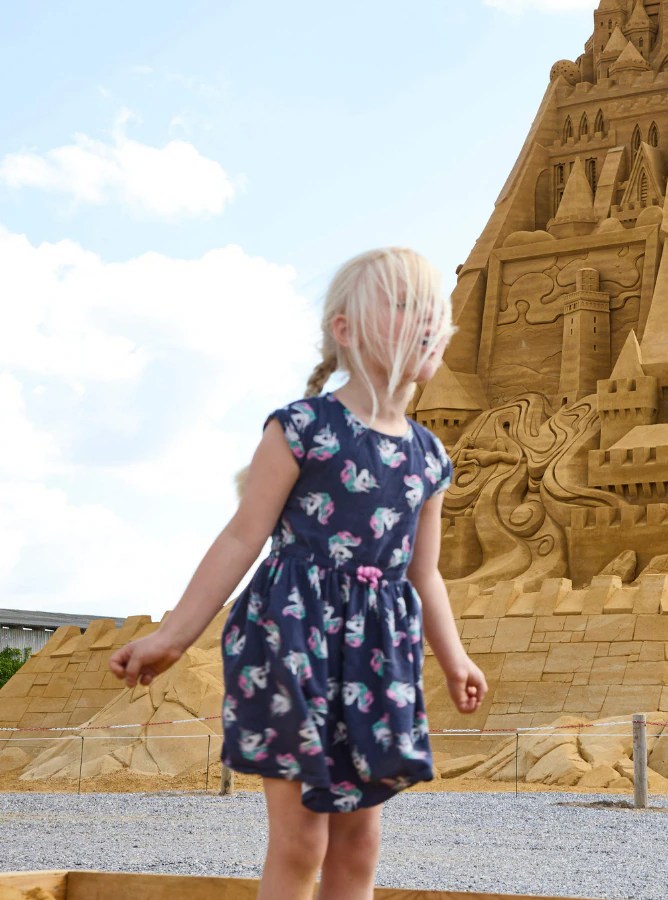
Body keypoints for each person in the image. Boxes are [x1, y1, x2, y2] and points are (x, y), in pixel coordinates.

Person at [109, 248, 488, 900]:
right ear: (343, 330)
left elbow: (425, 576)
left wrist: (454, 659)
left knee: (360, 846)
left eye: (433, 309)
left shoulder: (430, 459)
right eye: (403, 304)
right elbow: (240, 538)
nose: (426, 318)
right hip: (293, 642)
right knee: (301, 840)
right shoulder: (301, 429)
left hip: (376, 658)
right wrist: (172, 637)